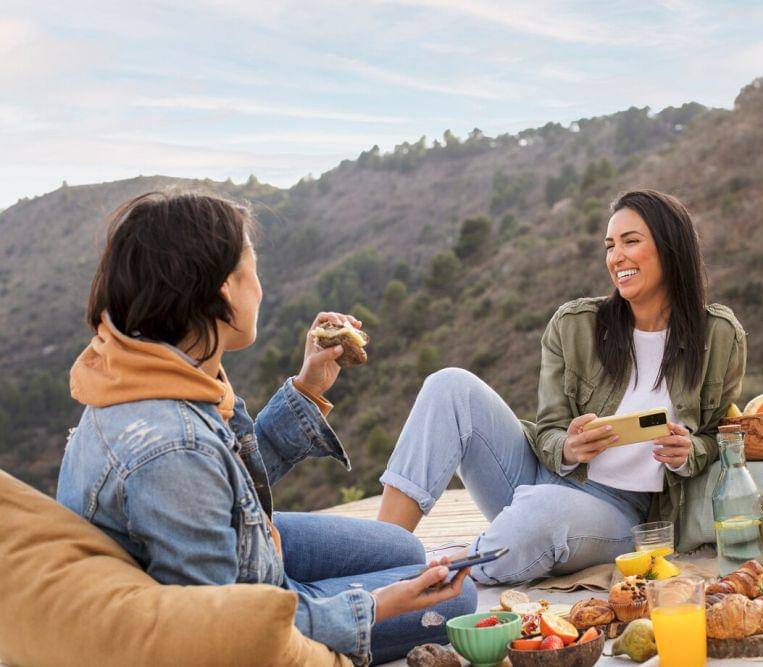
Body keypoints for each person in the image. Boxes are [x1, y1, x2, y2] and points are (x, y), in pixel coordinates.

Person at [56, 192, 476, 664]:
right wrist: (374, 605)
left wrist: (307, 387)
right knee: (458, 598)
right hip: (233, 612)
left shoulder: (150, 373)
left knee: (401, 547)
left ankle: (324, 593)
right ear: (223, 290)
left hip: (243, 554)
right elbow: (225, 629)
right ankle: (321, 597)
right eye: (252, 268)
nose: (261, 286)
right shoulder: (173, 448)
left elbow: (227, 484)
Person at [377, 189, 746, 584]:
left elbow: (717, 437)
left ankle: (428, 577)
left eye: (631, 241)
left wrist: (688, 452)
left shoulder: (719, 337)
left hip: (620, 511)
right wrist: (568, 448)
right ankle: (378, 555)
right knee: (449, 386)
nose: (616, 256)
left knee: (543, 512)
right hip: (540, 473)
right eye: (609, 246)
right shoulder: (575, 325)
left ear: (670, 248)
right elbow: (550, 427)